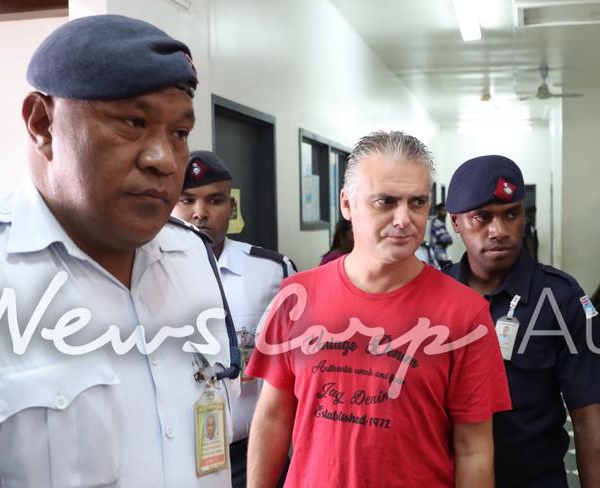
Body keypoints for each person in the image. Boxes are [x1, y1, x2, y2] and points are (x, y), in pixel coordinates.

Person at [0, 15, 240, 487]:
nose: (164, 161)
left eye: (179, 134)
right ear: (42, 124)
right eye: (133, 123)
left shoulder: (191, 257)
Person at [246, 131, 511, 488]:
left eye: (417, 202)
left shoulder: (465, 315)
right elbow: (274, 416)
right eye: (385, 201)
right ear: (346, 204)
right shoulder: (297, 297)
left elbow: (473, 449)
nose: (404, 219)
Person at [444, 154, 600, 488]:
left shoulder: (562, 298)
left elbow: (589, 419)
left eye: (511, 214)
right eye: (482, 218)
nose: (498, 231)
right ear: (456, 222)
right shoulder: (433, 299)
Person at [172, 150, 296, 488]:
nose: (200, 213)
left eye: (215, 200)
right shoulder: (142, 273)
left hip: (250, 454)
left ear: (232, 207)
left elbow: (297, 373)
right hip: (175, 459)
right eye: (187, 201)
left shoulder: (271, 271)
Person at [430, 202, 453, 268]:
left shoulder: (442, 224)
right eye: (443, 210)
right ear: (438, 211)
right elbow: (445, 239)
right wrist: (447, 239)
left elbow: (449, 240)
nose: (445, 213)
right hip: (438, 255)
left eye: (445, 210)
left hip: (442, 254)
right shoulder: (437, 224)